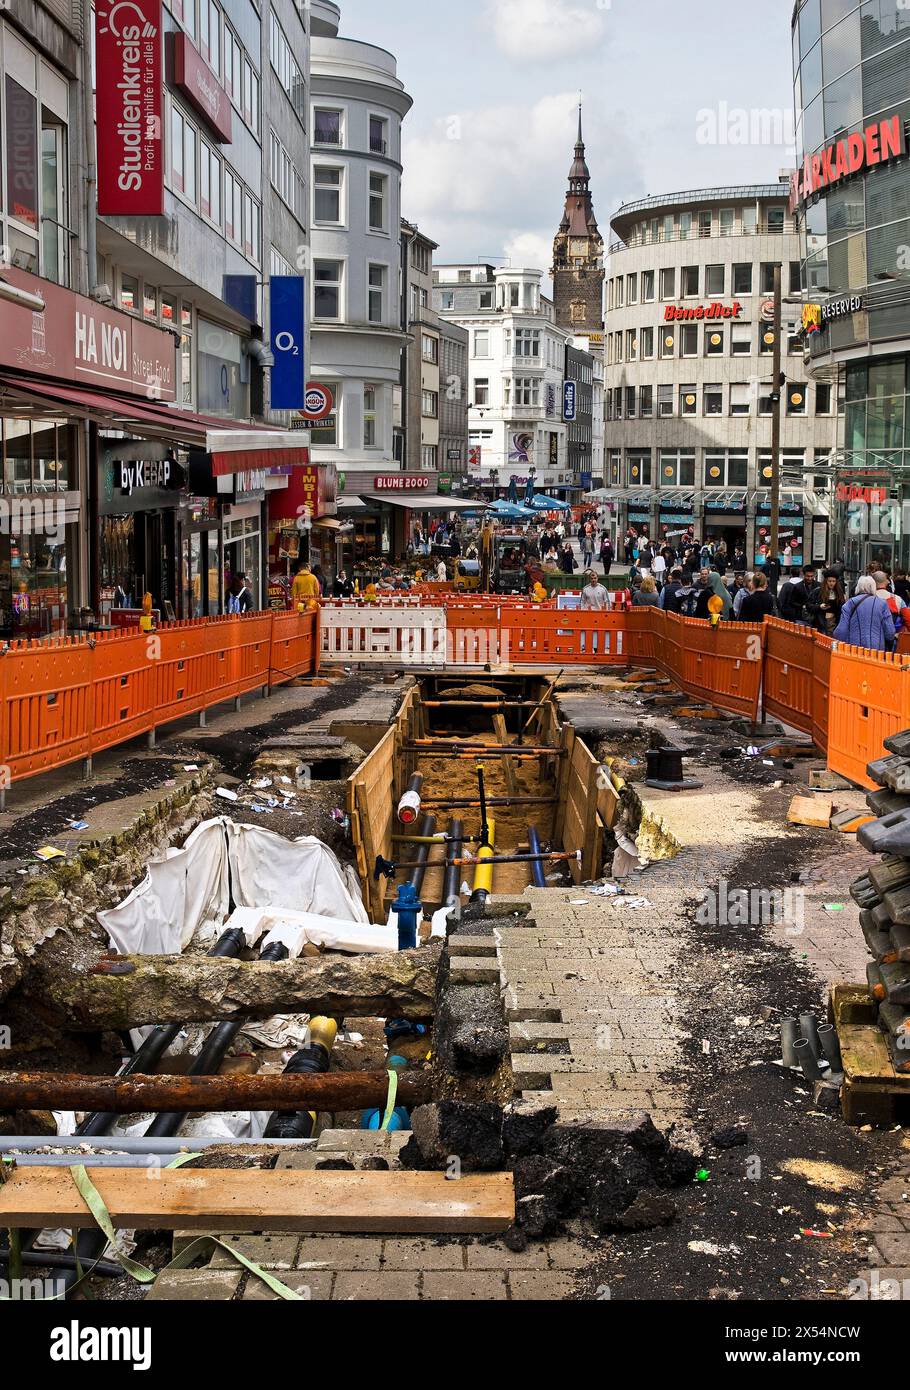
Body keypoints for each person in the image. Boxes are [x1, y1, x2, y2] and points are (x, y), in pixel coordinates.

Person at [833, 574, 897, 651]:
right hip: (877, 649)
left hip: (854, 649)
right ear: (873, 587)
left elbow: (840, 632)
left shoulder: (850, 603)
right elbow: (890, 632)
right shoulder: (882, 604)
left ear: (858, 587)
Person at [814, 571, 845, 635]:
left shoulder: (839, 593)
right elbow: (809, 605)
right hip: (820, 621)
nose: (831, 583)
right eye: (829, 581)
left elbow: (841, 607)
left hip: (834, 621)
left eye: (833, 581)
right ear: (826, 581)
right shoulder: (818, 591)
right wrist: (819, 606)